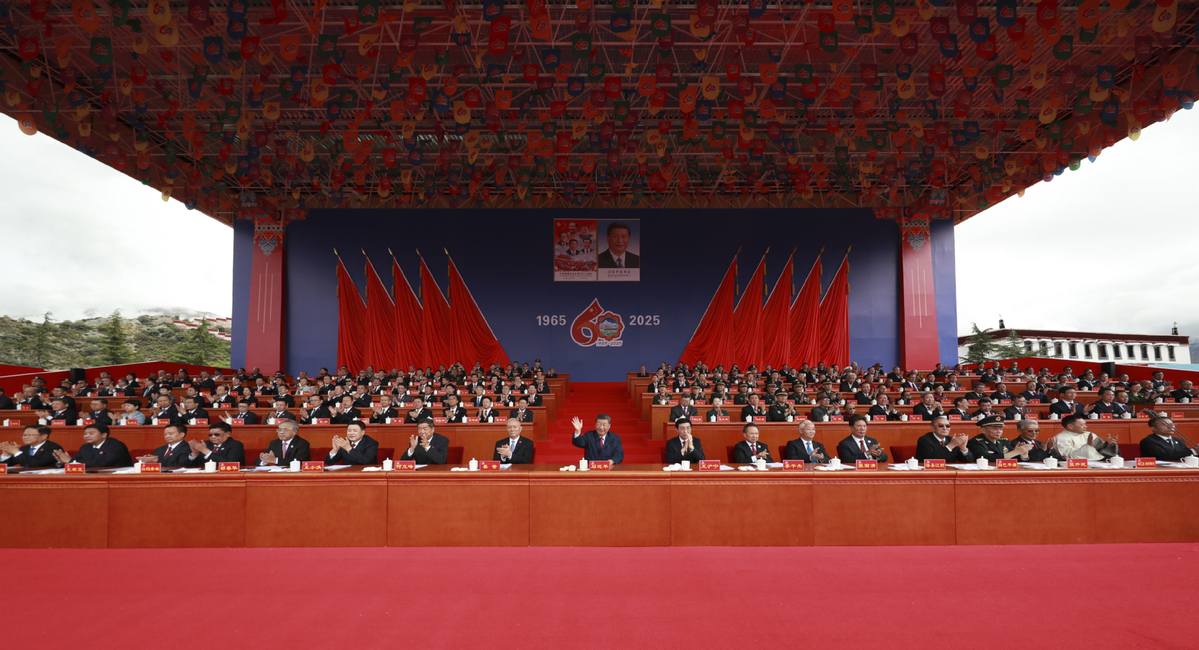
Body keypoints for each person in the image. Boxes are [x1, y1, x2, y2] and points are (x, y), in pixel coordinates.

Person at [52, 424, 133, 468]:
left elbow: (101, 464)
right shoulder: (86, 447)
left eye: (91, 433)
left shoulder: (116, 446)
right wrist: (63, 463)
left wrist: (70, 461)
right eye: (85, 434)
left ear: (104, 435)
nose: (87, 436)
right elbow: (76, 461)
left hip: (116, 476)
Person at [1045, 414, 1119, 460]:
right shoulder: (1061, 438)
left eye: (1085, 424)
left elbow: (1102, 451)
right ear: (1070, 426)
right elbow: (1068, 457)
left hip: (1098, 463)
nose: (1085, 426)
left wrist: (1109, 444)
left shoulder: (1089, 434)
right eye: (1082, 425)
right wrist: (1088, 446)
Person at [965, 415, 1029, 462]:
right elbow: (987, 458)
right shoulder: (975, 442)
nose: (999, 431)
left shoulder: (1004, 441)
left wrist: (1023, 455)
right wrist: (1014, 452)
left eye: (1000, 429)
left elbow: (1013, 458)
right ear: (983, 430)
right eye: (995, 429)